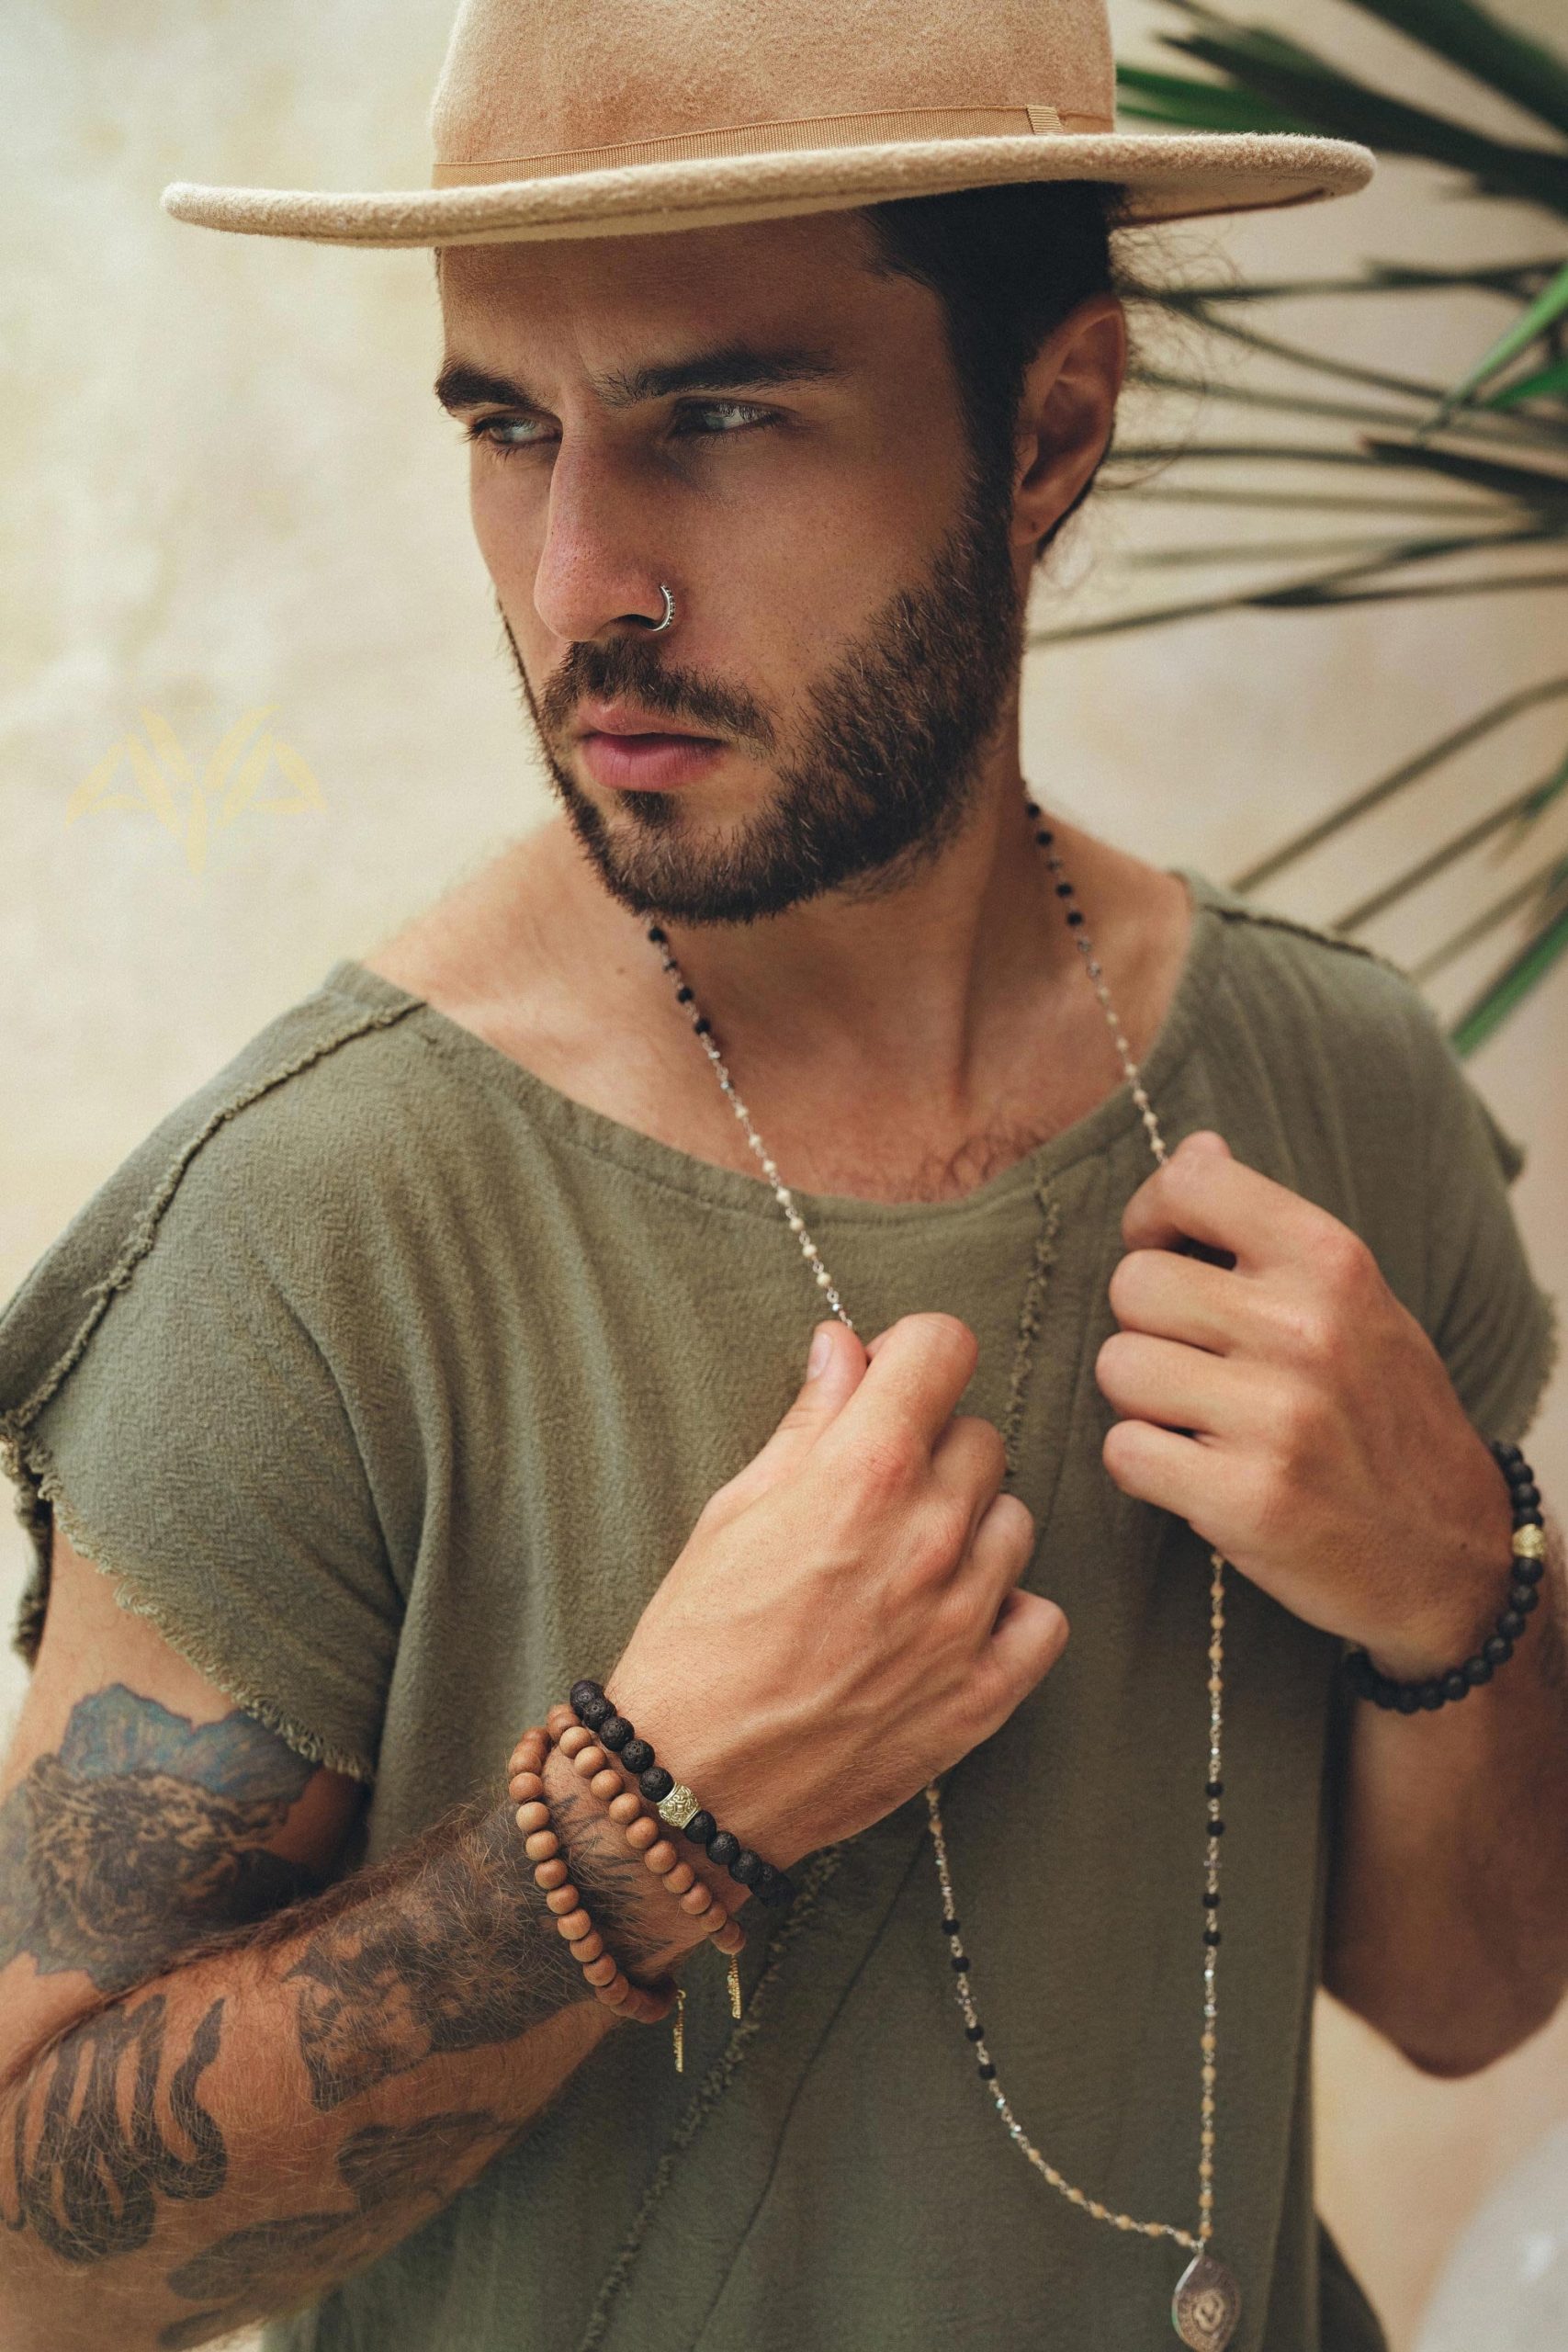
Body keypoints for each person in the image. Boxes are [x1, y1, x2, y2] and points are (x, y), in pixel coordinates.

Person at [0, 3, 1562, 2347]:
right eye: (506, 426)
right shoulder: (318, 1214)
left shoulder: (1325, 1082)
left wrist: (1460, 1584)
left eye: (715, 416)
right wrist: (636, 1821)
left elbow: (1467, 1996)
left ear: (1047, 427)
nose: (576, 579)